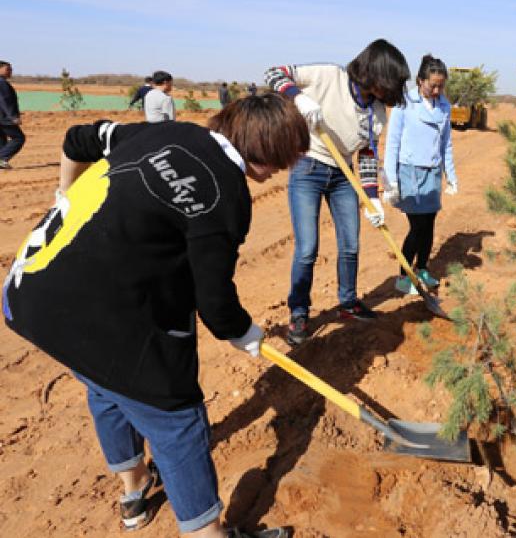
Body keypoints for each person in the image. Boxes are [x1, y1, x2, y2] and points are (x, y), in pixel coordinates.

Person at [2, 94, 308, 537]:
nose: (281, 171)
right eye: (282, 160)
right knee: (177, 418)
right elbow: (214, 300)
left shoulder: (165, 131)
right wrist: (244, 332)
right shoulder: (226, 194)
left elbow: (77, 140)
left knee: (104, 386)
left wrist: (65, 197)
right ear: (263, 148)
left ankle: (134, 489)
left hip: (33, 294)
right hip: (100, 312)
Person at [263, 38, 409, 345]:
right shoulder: (330, 76)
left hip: (344, 176)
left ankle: (348, 303)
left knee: (350, 245)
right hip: (308, 167)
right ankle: (299, 313)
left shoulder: (378, 111)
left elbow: (367, 153)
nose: (391, 92)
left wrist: (372, 198)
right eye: (390, 83)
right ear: (373, 74)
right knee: (307, 248)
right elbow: (274, 73)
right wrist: (298, 97)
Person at [383, 54, 458, 295]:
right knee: (417, 226)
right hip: (410, 173)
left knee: (429, 225)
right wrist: (390, 181)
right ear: (420, 81)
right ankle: (404, 276)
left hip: (432, 173)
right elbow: (392, 142)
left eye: (441, 86)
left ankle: (423, 268)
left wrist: (451, 175)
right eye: (433, 85)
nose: (437, 90)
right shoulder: (404, 103)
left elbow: (446, 144)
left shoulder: (444, 107)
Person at [0, 60, 24, 169]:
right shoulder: (2, 83)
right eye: (7, 69)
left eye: (11, 69)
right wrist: (13, 116)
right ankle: (2, 158)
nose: (10, 72)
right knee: (19, 138)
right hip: (4, 118)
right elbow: (5, 101)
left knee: (2, 140)